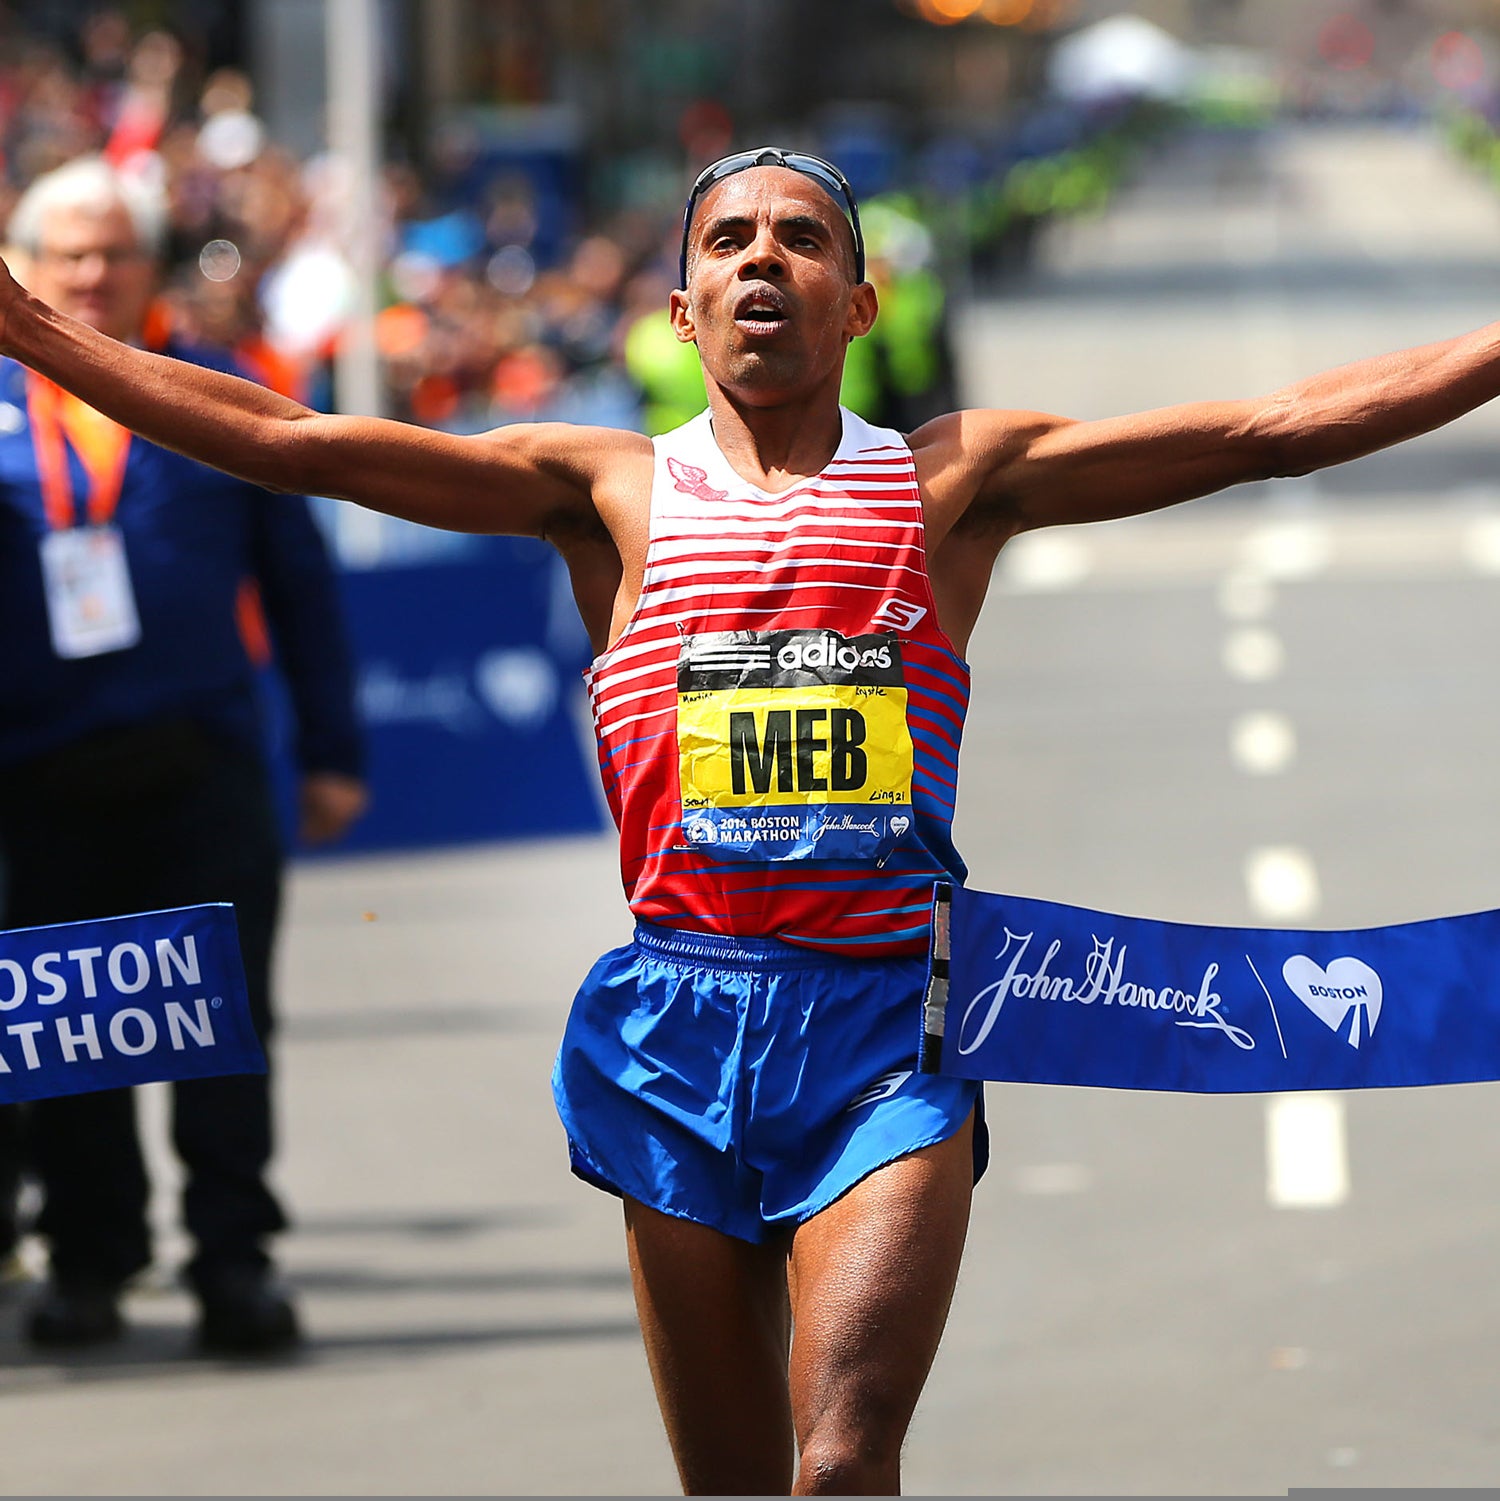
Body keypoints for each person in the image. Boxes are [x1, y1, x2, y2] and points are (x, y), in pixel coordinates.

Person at [0, 140, 1493, 1487]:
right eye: (728, 242)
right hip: (674, 1030)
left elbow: (1276, 427)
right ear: (681, 310)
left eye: (800, 239)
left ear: (858, 302)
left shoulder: (951, 481)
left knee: (840, 1463)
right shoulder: (606, 491)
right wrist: (34, 333)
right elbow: (290, 443)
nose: (763, 259)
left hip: (881, 1039)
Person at [0, 156, 366, 1354]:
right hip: (37, 774)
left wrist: (331, 747)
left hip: (202, 764)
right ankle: (93, 1263)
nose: (91, 275)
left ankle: (231, 1262)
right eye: (68, 258)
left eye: (112, 254)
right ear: (29, 272)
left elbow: (299, 580)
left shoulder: (219, 389)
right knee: (67, 1031)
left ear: (151, 265)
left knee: (224, 1024)